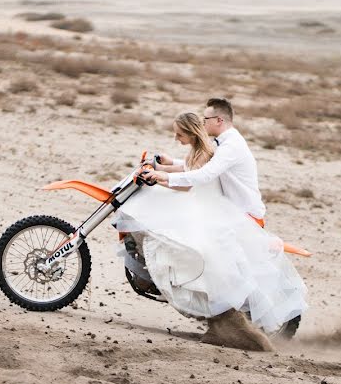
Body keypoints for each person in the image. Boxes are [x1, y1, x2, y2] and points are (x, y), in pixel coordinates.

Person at [119, 109, 306, 351]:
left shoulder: (214, 150)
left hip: (211, 212)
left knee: (187, 252)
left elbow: (194, 179)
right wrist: (165, 166)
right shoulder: (201, 149)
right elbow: (188, 168)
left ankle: (222, 319)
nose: (176, 138)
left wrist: (160, 175)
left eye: (179, 134)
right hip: (204, 207)